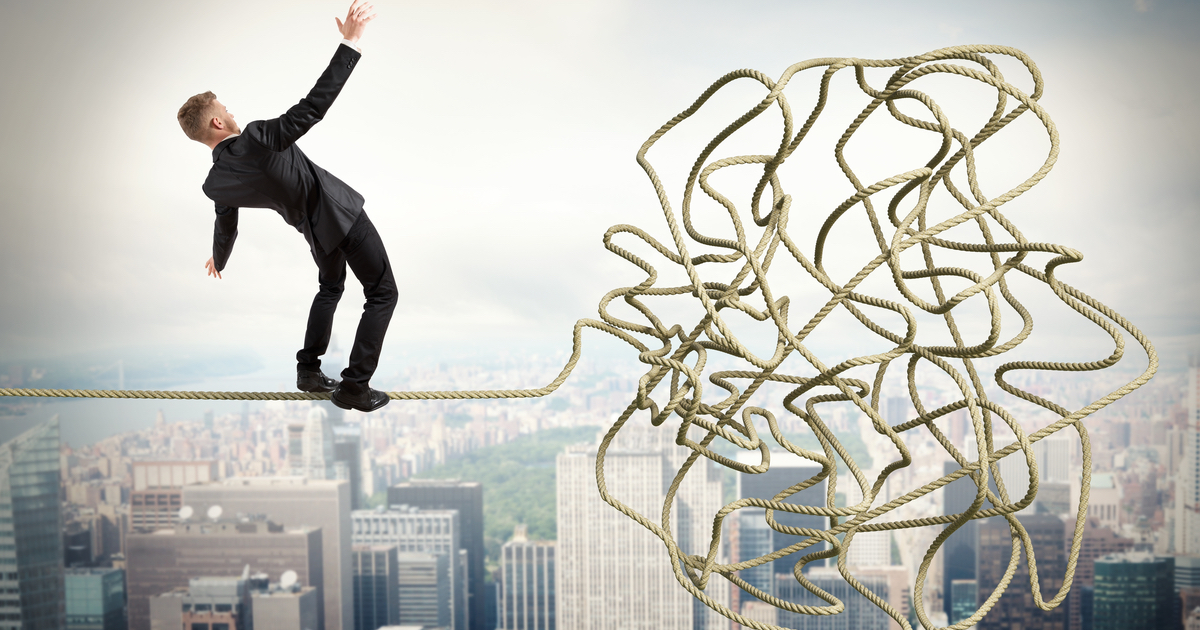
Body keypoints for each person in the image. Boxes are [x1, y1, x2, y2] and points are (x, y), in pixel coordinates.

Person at [176, 0, 393, 412]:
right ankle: (354, 386)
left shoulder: (215, 182)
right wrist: (350, 44)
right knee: (383, 293)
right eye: (226, 110)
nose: (231, 111)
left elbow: (227, 227)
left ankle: (308, 371)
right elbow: (312, 108)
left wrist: (219, 259)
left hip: (313, 230)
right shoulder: (255, 138)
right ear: (217, 123)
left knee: (331, 286)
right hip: (340, 214)